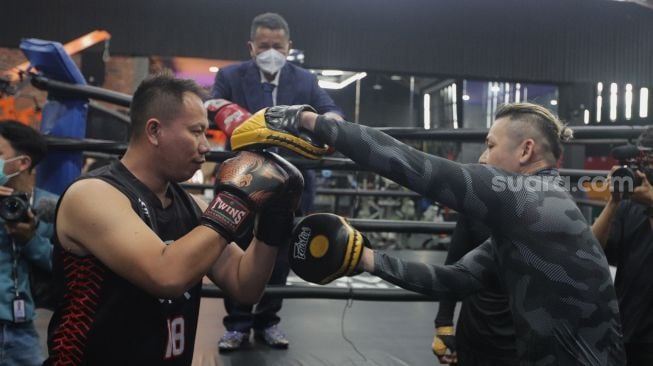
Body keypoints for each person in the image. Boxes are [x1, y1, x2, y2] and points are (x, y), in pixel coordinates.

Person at [242, 102, 626, 365]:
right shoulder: (530, 214)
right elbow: (455, 280)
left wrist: (307, 120)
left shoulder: (526, 197)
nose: (483, 157)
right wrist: (365, 258)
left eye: (490, 146)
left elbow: (411, 165)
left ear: (525, 151)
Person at [44, 72, 303, 365]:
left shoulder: (190, 204)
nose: (205, 145)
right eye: (196, 131)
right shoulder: (92, 194)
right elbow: (166, 275)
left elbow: (246, 286)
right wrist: (236, 200)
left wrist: (272, 221)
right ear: (154, 131)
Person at [210, 12, 343, 351]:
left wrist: (329, 123)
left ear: (289, 47)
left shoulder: (305, 80)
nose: (271, 51)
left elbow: (331, 109)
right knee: (237, 246)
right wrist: (226, 110)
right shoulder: (229, 76)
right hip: (243, 178)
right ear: (251, 46)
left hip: (290, 182)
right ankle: (237, 324)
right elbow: (210, 104)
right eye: (264, 45)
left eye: (277, 45)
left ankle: (268, 320)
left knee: (281, 252)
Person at [592, 126, 653, 365]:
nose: (647, 167)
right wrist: (613, 202)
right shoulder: (631, 204)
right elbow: (593, 248)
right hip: (626, 331)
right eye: (644, 159)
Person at [0, 120, 56, 366]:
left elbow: (63, 266)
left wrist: (31, 240)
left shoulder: (50, 207)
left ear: (22, 162)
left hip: (21, 329)